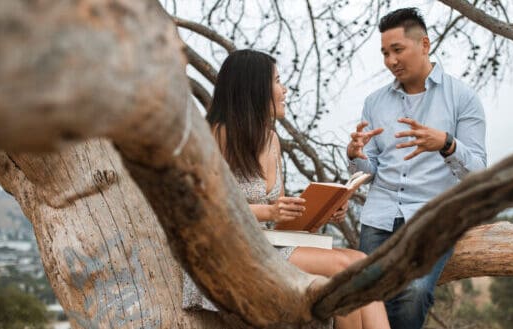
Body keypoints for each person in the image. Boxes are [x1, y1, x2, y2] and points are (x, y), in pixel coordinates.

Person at [182, 49, 390, 329]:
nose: (285, 90)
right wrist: (267, 210)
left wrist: (323, 211)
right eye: (278, 81)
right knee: (346, 270)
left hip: (267, 246)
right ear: (255, 88)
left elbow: (280, 221)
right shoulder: (211, 136)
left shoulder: (270, 140)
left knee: (363, 264)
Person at [346, 8, 487, 329]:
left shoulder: (463, 98)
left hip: (433, 219)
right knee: (367, 294)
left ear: (424, 44)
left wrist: (447, 144)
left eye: (397, 50)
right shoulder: (374, 102)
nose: (390, 60)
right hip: (380, 219)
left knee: (414, 291)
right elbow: (370, 169)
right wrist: (355, 154)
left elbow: (479, 174)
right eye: (384, 53)